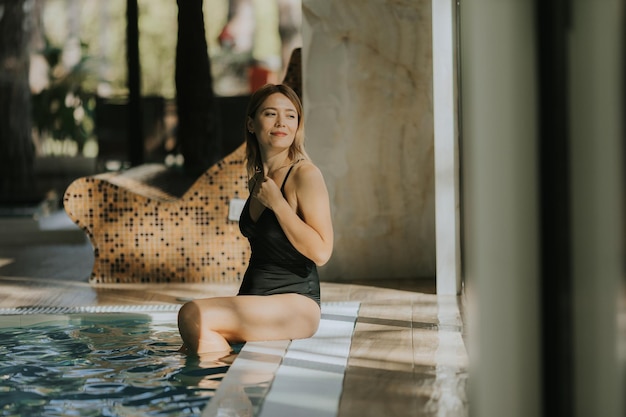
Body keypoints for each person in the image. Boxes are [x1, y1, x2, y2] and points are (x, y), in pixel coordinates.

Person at [178, 84, 333, 355]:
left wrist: (278, 204)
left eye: (290, 116)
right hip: (256, 301)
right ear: (251, 123)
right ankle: (222, 388)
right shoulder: (259, 180)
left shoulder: (304, 175)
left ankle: (224, 386)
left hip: (296, 304)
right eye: (270, 114)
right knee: (189, 344)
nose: (281, 122)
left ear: (298, 126)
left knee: (192, 315)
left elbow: (321, 252)